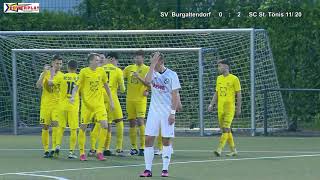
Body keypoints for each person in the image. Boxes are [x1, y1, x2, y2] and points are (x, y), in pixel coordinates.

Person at [140, 52, 181, 177]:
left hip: (167, 112)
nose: (151, 62)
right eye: (151, 60)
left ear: (161, 61)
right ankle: (148, 170)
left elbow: (175, 95)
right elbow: (147, 81)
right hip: (153, 112)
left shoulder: (172, 74)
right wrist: (152, 65)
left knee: (165, 140)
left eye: (154, 60)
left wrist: (172, 113)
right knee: (148, 139)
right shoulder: (152, 73)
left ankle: (165, 169)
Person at [70, 53, 114, 161]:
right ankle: (82, 153)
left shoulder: (101, 71)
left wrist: (111, 100)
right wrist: (72, 96)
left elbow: (107, 87)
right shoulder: (84, 72)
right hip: (87, 105)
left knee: (105, 126)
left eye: (99, 60)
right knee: (83, 128)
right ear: (90, 61)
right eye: (96, 60)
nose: (98, 62)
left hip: (99, 104)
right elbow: (76, 87)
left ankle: (99, 152)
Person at [208, 58, 241, 157]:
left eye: (220, 65)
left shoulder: (234, 79)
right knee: (225, 130)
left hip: (230, 108)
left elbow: (239, 94)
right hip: (220, 108)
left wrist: (238, 108)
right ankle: (233, 150)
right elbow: (217, 93)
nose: (218, 68)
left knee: (226, 127)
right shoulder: (219, 78)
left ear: (226, 66)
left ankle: (219, 149)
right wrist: (211, 104)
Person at [48, 60, 79, 159]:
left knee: (60, 127)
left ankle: (57, 146)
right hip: (73, 106)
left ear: (67, 67)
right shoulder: (79, 77)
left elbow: (50, 83)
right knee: (73, 129)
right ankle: (71, 152)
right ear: (76, 68)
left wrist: (51, 74)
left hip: (62, 106)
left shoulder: (62, 77)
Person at [36, 54, 63, 158]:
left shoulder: (62, 76)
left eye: (60, 64)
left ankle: (54, 147)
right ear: (52, 63)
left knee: (56, 124)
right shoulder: (44, 73)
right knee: (45, 126)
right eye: (57, 63)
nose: (59, 66)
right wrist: (43, 74)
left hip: (57, 105)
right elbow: (38, 86)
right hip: (45, 105)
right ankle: (46, 150)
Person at [123, 50, 150, 156]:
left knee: (140, 121)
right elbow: (120, 77)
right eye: (136, 57)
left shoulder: (147, 69)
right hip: (129, 99)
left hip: (140, 100)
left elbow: (149, 83)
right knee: (131, 122)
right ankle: (133, 147)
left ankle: (143, 147)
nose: (137, 59)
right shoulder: (129, 68)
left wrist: (146, 88)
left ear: (143, 58)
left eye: (139, 57)